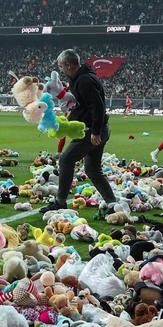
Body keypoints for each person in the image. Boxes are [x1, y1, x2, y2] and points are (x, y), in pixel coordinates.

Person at [41, 49, 117, 218]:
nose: (61, 70)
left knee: (66, 159)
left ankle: (60, 201)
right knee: (92, 169)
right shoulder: (81, 78)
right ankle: (112, 202)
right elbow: (84, 104)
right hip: (95, 129)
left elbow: (97, 106)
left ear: (69, 65)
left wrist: (95, 131)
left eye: (61, 66)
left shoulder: (84, 81)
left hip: (91, 130)